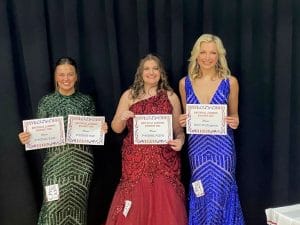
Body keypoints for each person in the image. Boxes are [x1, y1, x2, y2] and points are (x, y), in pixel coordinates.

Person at [18, 57, 108, 225]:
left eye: (70, 74)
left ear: (76, 76)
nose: (66, 78)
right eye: (61, 74)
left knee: (78, 210)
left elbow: (93, 131)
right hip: (55, 165)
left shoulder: (86, 101)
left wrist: (101, 129)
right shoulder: (46, 102)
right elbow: (37, 132)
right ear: (55, 77)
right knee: (52, 208)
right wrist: (27, 137)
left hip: (82, 165)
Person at [105, 54, 187, 225]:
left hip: (164, 161)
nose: (151, 72)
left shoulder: (171, 96)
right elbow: (116, 127)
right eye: (147, 69)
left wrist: (180, 141)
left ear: (161, 72)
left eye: (155, 68)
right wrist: (122, 117)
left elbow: (179, 131)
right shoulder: (129, 95)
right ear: (140, 73)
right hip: (136, 160)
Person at [178, 34, 245, 225]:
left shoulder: (230, 82)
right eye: (203, 52)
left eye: (212, 53)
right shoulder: (185, 83)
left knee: (222, 189)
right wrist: (183, 120)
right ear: (196, 55)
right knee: (201, 190)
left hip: (222, 147)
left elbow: (236, 117)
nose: (207, 57)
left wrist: (234, 122)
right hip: (197, 148)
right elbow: (187, 117)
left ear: (219, 55)